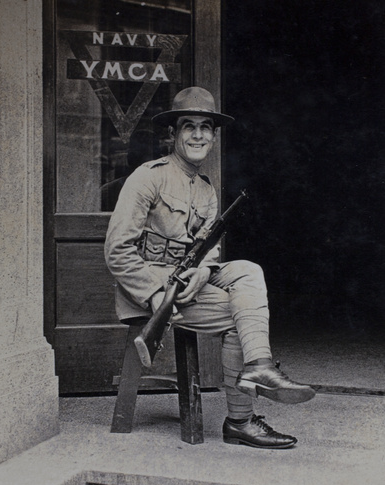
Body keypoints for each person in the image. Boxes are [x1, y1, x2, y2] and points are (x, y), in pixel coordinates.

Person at [105, 87, 315, 449]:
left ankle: (259, 364)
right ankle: (240, 421)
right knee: (241, 317)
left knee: (249, 270)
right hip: (150, 291)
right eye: (189, 126)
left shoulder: (206, 189)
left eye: (206, 127)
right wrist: (156, 295)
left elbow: (207, 247)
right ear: (174, 133)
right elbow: (117, 250)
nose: (199, 134)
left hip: (188, 282)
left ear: (214, 137)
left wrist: (204, 270)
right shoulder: (148, 177)